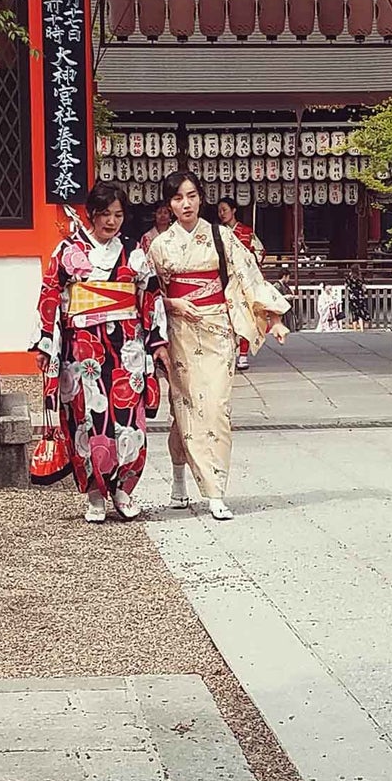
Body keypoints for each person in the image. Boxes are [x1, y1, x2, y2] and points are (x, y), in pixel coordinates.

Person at [149, 170, 290, 521]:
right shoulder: (159, 246)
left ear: (201, 197)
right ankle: (180, 480)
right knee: (183, 410)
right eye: (179, 197)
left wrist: (273, 317)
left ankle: (215, 491)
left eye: (192, 195)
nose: (186, 203)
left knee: (216, 408)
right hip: (180, 332)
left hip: (217, 330)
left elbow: (248, 276)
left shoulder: (221, 236)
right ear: (169, 203)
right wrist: (172, 305)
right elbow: (149, 296)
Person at [33, 180, 169, 525]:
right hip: (82, 347)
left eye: (118, 214)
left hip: (127, 347)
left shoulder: (134, 252)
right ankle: (94, 493)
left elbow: (150, 297)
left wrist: (157, 343)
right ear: (91, 214)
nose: (112, 221)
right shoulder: (67, 251)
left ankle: (123, 489)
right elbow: (50, 296)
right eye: (105, 214)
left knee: (128, 419)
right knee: (85, 418)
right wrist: (46, 344)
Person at [217, 199, 266, 368]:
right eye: (219, 211)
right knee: (228, 318)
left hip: (242, 280)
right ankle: (230, 352)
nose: (222, 213)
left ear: (234, 210)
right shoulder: (218, 233)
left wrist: (248, 260)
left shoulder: (246, 232)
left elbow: (260, 251)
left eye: (224, 209)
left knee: (244, 316)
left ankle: (243, 354)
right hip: (225, 279)